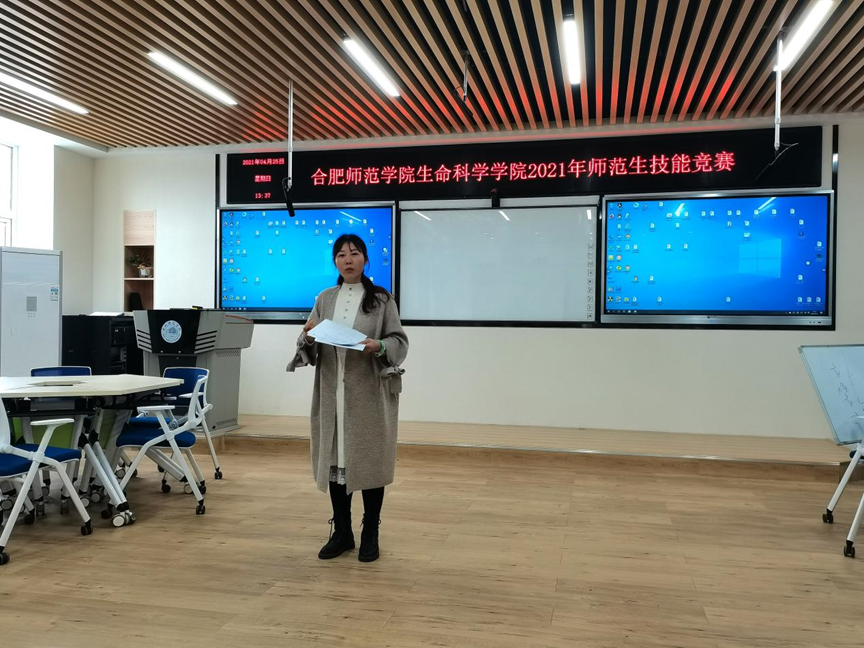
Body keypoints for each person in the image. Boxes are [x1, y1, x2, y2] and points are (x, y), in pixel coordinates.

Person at [287, 234, 408, 562]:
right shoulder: (325, 298)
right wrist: (307, 337)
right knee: (334, 461)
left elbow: (399, 341)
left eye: (354, 253)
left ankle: (370, 532)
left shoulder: (381, 299)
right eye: (341, 255)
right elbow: (309, 345)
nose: (348, 259)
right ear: (335, 262)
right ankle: (342, 532)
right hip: (331, 392)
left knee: (369, 461)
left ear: (365, 259)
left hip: (367, 394)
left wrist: (379, 346)